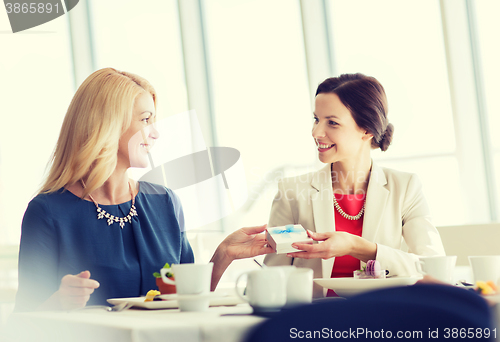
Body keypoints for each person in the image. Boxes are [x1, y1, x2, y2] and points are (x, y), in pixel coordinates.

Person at [15, 68, 273, 312]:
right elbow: (23, 322)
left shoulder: (165, 202)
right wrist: (58, 301)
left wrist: (224, 253)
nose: (156, 133)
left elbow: (186, 298)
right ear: (108, 124)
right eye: (145, 120)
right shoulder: (48, 212)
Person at [264, 73, 445, 297]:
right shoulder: (292, 191)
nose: (316, 132)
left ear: (367, 130)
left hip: (383, 317)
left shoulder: (405, 187)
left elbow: (434, 268)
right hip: (315, 321)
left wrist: (358, 247)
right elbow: (272, 280)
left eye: (332, 122)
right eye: (316, 120)